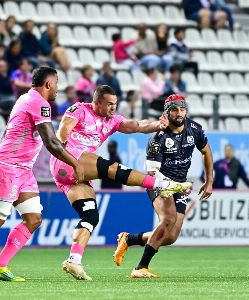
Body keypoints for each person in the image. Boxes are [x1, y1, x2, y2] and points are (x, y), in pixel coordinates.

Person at [49, 85, 192, 281]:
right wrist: (68, 156)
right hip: (66, 160)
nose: (113, 108)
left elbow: (137, 126)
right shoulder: (79, 109)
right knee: (115, 169)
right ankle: (160, 184)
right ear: (96, 102)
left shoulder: (113, 120)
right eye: (109, 104)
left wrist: (158, 125)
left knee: (90, 216)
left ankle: (74, 260)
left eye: (115, 104)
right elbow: (62, 133)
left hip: (77, 176)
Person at [113, 94, 213, 278]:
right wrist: (173, 185)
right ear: (167, 112)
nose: (179, 113)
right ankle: (140, 267)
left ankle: (129, 238)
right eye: (175, 109)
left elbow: (206, 151)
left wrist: (209, 180)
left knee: (171, 236)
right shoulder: (157, 137)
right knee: (168, 219)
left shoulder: (195, 129)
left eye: (182, 109)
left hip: (179, 186)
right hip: (159, 183)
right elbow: (152, 173)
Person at [0, 66, 84, 282]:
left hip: (24, 170)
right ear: (48, 84)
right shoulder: (38, 102)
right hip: (8, 167)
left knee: (33, 218)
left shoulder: (27, 98)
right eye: (56, 82)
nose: (58, 87)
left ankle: (1, 266)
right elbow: (51, 142)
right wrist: (75, 163)